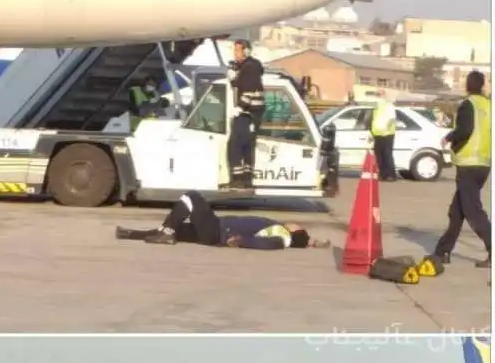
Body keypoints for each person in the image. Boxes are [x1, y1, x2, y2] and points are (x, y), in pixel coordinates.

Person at [116, 190, 331, 249]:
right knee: (176, 229)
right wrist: (315, 243)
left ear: (295, 232)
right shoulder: (282, 231)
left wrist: (242, 241)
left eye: (297, 226)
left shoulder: (282, 237)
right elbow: (307, 241)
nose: (294, 223)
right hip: (214, 231)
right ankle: (130, 234)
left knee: (192, 197)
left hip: (218, 231)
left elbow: (266, 244)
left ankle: (166, 234)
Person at [433, 70, 491, 269]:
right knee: (457, 211)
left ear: (468, 85)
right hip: (483, 164)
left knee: (473, 211)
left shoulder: (469, 105)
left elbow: (465, 130)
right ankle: (442, 252)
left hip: (468, 164)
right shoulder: (488, 106)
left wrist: (449, 137)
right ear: (483, 85)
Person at [226, 39, 265, 188]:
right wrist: (234, 76)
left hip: (249, 113)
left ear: (246, 51)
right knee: (247, 146)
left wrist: (240, 108)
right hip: (250, 113)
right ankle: (246, 178)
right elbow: (239, 84)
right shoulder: (247, 67)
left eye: (238, 50)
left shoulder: (250, 68)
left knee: (235, 145)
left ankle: (238, 179)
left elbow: (248, 89)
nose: (235, 53)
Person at [370, 91, 397, 181]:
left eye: (379, 95)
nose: (378, 97)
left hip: (387, 134)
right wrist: (372, 133)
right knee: (379, 156)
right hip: (377, 134)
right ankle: (382, 174)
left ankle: (391, 175)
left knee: (387, 155)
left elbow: (392, 119)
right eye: (377, 95)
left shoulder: (388, 106)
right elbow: (374, 121)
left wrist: (386, 129)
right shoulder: (376, 108)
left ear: (384, 96)